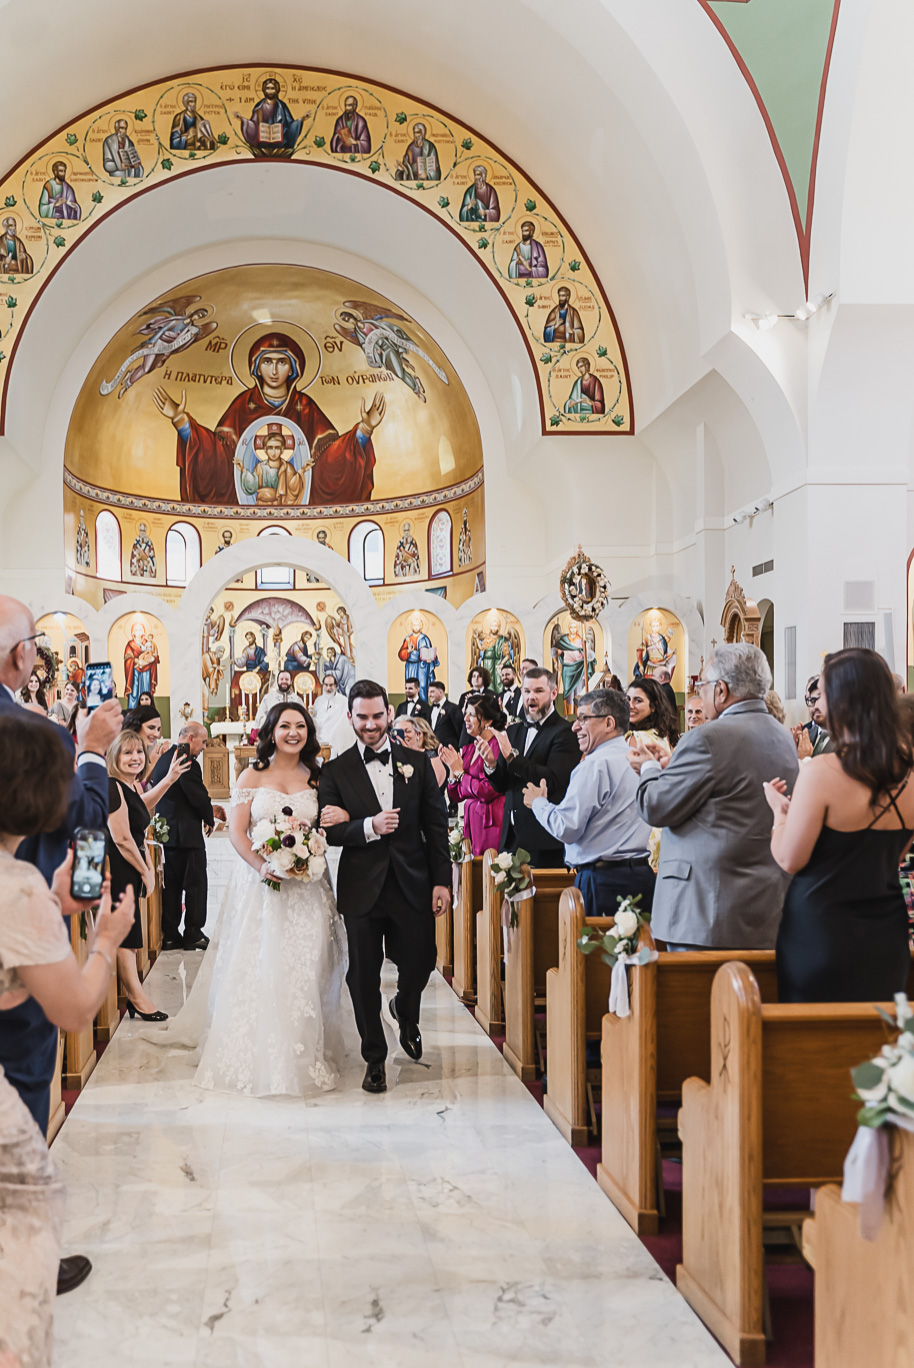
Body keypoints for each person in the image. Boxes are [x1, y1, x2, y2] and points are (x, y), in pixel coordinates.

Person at [0, 712, 135, 1366]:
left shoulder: (25, 891)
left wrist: (51, 907)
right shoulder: (17, 885)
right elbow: (76, 1009)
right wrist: (106, 941)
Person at [0, 596, 119, 1298]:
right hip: (25, 928)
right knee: (22, 1098)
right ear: (22, 656)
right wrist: (94, 752)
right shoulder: (23, 730)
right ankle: (23, 1258)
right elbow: (78, 816)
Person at [144, 704, 349, 1098]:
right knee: (265, 966)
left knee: (308, 968)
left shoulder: (319, 776)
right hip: (264, 890)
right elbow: (238, 831)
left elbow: (326, 821)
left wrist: (314, 841)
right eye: (285, 725)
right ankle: (266, 1053)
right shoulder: (251, 774)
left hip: (307, 889)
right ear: (270, 731)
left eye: (300, 726)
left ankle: (306, 1051)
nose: (293, 732)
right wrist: (261, 865)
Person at [318, 681, 451, 1094]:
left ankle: (405, 1009)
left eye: (378, 716)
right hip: (361, 886)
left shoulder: (417, 763)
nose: (371, 724)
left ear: (389, 715)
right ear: (350, 718)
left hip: (412, 881)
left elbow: (435, 826)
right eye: (363, 717)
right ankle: (374, 1057)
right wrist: (367, 827)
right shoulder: (335, 770)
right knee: (362, 977)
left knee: (422, 960)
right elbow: (332, 833)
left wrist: (442, 881)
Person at [765, 649, 914, 1002]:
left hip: (821, 931)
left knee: (812, 1044)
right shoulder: (909, 776)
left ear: (842, 699)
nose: (818, 699)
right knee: (871, 1041)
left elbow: (789, 859)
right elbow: (894, 854)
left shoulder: (821, 771)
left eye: (823, 692)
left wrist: (780, 815)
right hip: (885, 934)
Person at [629, 643, 799, 949]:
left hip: (703, 911)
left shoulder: (707, 738)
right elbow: (730, 791)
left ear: (721, 690)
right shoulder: (782, 736)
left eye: (703, 685)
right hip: (764, 907)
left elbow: (655, 807)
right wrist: (673, 766)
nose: (701, 692)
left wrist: (650, 769)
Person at [153, 331, 383, 506]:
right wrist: (181, 420)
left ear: (293, 368)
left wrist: (365, 429)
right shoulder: (242, 406)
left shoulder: (305, 407)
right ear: (257, 367)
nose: (274, 371)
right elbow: (218, 459)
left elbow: (329, 462)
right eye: (267, 362)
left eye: (281, 362)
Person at [522, 689, 654, 918]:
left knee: (599, 952)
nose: (575, 726)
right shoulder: (640, 760)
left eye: (583, 718)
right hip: (641, 876)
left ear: (609, 723)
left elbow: (567, 827)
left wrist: (539, 803)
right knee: (636, 951)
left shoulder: (595, 765)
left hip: (603, 881)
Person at [105, 730, 190, 1018]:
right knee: (125, 937)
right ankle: (137, 998)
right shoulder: (111, 786)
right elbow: (121, 838)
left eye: (139, 752)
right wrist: (147, 871)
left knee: (129, 934)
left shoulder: (129, 787)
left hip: (128, 866)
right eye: (127, 753)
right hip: (117, 867)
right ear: (115, 756)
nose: (135, 758)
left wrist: (168, 780)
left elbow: (142, 809)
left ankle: (135, 996)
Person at [481, 667, 580, 867]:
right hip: (511, 840)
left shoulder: (565, 733)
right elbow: (502, 786)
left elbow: (553, 780)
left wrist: (512, 757)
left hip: (544, 840)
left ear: (553, 693)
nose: (531, 697)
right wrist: (491, 765)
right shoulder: (514, 731)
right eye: (526, 691)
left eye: (538, 691)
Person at [149, 723, 226, 952]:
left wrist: (208, 810)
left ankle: (171, 935)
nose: (204, 747)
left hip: (168, 834)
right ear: (191, 738)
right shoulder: (186, 761)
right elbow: (196, 795)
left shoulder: (165, 758)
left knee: (171, 886)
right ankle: (193, 933)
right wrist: (209, 816)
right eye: (203, 742)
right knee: (195, 886)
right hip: (186, 836)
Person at [440, 693, 506, 856]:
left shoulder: (498, 747)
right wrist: (452, 771)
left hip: (491, 821)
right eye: (466, 714)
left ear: (488, 721)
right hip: (472, 819)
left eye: (472, 715)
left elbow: (487, 791)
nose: (465, 719)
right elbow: (456, 796)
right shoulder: (470, 749)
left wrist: (461, 774)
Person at [391, 715, 448, 793]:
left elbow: (434, 787)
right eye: (399, 732)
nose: (404, 735)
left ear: (417, 734)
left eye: (408, 731)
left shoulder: (430, 756)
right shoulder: (392, 757)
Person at [626, 676, 680, 754]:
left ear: (653, 706)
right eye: (628, 699)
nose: (630, 705)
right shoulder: (667, 734)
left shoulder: (634, 738)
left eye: (638, 700)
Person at [311, 672, 354, 757]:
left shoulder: (343, 701)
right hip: (320, 741)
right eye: (326, 685)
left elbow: (345, 723)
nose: (328, 688)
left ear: (335, 686)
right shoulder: (318, 701)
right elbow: (316, 721)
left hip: (336, 741)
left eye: (331, 685)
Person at [792, 674, 834, 758]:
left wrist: (804, 760)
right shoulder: (805, 736)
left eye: (819, 698)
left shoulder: (847, 738)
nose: (815, 706)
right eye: (812, 701)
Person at [123, 702, 169, 774]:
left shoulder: (144, 750)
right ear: (136, 725)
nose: (156, 734)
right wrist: (154, 763)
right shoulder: (125, 751)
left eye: (158, 729)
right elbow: (137, 783)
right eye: (151, 728)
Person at [427, 680, 462, 751]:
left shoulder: (453, 708)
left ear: (441, 692)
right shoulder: (429, 710)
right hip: (433, 750)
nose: (429, 695)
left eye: (432, 692)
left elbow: (459, 729)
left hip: (449, 749)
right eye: (429, 692)